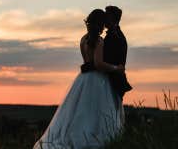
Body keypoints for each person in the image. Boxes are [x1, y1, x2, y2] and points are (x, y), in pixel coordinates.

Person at [33, 9, 125, 149]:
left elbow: (87, 61)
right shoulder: (99, 41)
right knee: (94, 112)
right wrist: (116, 68)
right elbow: (98, 64)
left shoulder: (83, 39)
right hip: (97, 80)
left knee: (79, 111)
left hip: (83, 78)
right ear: (100, 24)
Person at [104, 6, 132, 106]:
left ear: (112, 18)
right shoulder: (114, 34)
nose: (104, 18)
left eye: (106, 16)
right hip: (112, 81)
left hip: (114, 82)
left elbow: (110, 59)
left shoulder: (116, 36)